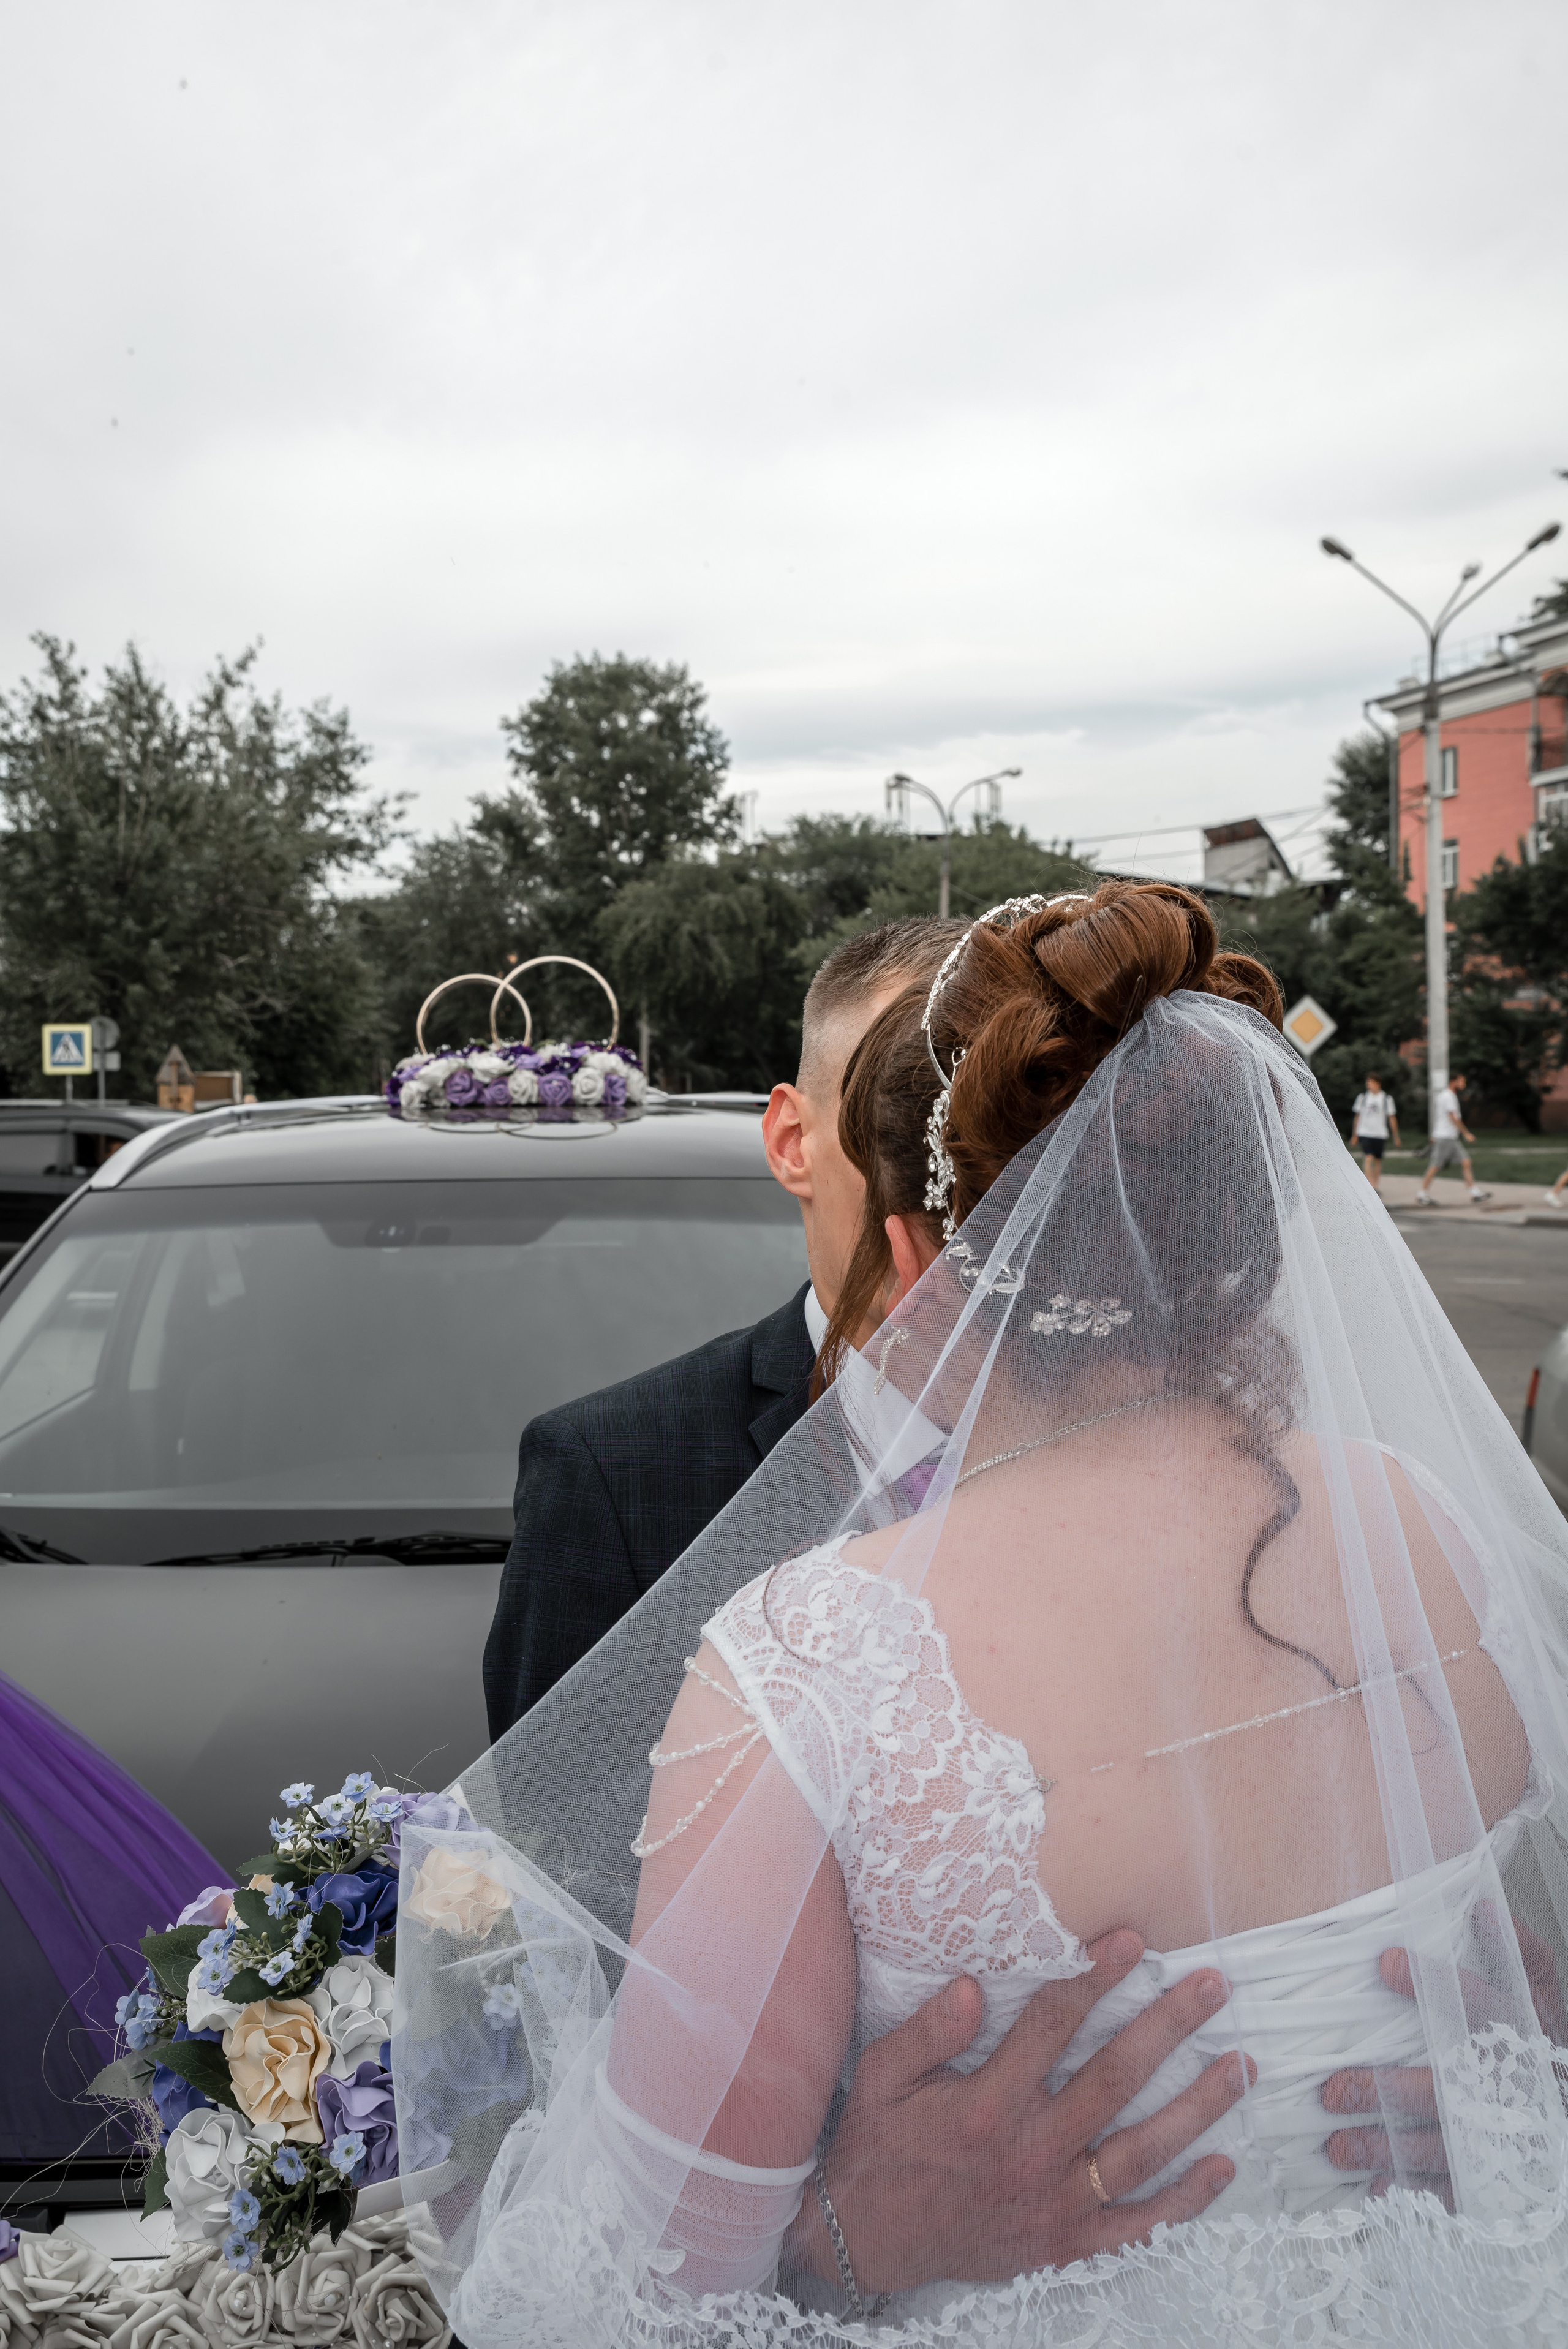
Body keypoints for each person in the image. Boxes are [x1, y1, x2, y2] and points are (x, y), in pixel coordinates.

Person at [400, 880, 1568, 2343]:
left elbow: (619, 2307)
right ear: (1251, 1232)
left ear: (908, 1257)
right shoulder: (1435, 1527)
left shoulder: (813, 1661)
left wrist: (847, 2230)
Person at [475, 913, 1261, 2285]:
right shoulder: (616, 1467)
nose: (1017, 1170)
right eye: (933, 1109)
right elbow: (563, 1921)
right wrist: (841, 2223)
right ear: (797, 1137)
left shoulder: (1269, 1481)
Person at [1412, 1071, 1491, 1206]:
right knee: (1435, 1166)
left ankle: (1474, 1193)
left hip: (1449, 1137)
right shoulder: (1448, 1097)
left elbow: (1440, 1117)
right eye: (1462, 1081)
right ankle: (1422, 1195)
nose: (1464, 1084)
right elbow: (1453, 1117)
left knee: (1466, 1162)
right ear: (1454, 1081)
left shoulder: (1446, 1095)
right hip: (1445, 1138)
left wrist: (1434, 1134)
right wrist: (1466, 1133)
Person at [1349, 1069, 1399, 1191]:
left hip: (1380, 1133)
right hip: (1365, 1132)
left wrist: (1396, 1137)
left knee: (1377, 1159)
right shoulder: (1363, 1098)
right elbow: (1358, 1117)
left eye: (1371, 1082)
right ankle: (1368, 1185)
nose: (1368, 1085)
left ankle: (1375, 1185)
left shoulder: (1386, 1099)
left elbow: (1391, 1118)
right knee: (1368, 1156)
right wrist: (1355, 1135)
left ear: (1377, 1083)